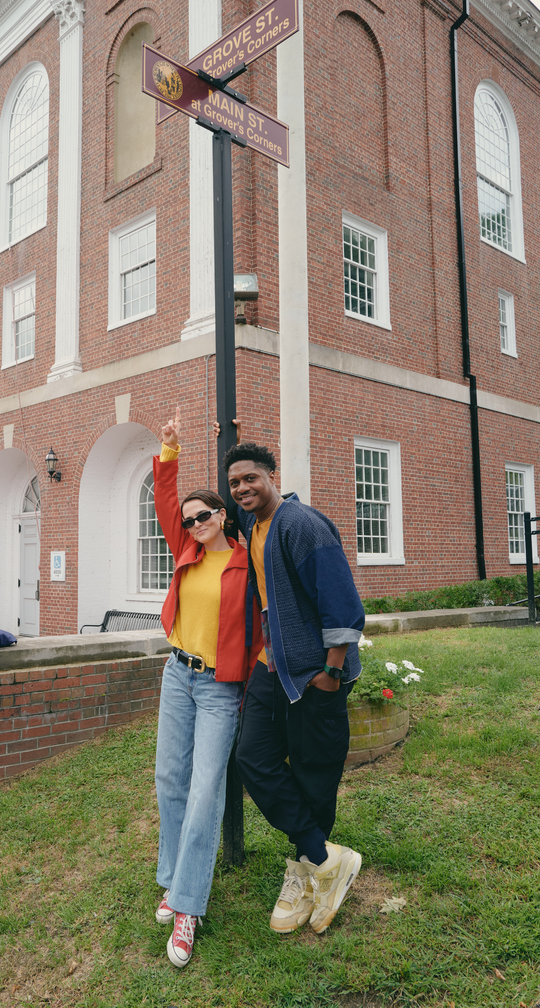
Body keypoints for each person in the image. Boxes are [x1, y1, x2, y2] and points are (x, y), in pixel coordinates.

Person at [217, 427, 365, 935]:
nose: (241, 489)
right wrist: (226, 438)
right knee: (252, 758)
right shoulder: (252, 523)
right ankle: (326, 860)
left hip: (315, 672)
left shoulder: (300, 524)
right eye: (235, 481)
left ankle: (305, 872)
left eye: (250, 478)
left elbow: (342, 602)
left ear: (271, 477)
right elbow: (214, 507)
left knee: (313, 769)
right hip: (271, 666)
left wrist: (331, 671)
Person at [152, 410, 262, 968]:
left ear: (222, 516)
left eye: (203, 515)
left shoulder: (247, 564)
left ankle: (189, 907)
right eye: (188, 518)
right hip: (177, 675)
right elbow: (166, 500)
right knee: (169, 780)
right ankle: (173, 879)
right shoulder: (187, 550)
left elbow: (264, 626)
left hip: (220, 688)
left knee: (204, 794)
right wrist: (169, 449)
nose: (193, 523)